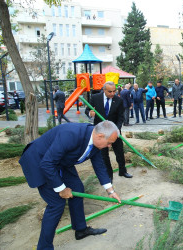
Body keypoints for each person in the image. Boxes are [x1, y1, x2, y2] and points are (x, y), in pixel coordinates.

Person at [19, 121, 122, 250]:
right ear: (100, 136)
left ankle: (80, 230)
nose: (109, 146)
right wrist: (61, 189)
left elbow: (99, 165)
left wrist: (110, 191)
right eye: (109, 143)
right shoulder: (71, 135)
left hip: (61, 161)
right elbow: (47, 163)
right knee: (56, 203)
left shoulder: (96, 141)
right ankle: (44, 247)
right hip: (39, 160)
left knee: (77, 189)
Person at [85, 81, 132, 181]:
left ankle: (122, 171)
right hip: (100, 133)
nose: (112, 93)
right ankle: (109, 174)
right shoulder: (95, 98)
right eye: (109, 91)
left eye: (114, 91)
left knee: (119, 152)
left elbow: (120, 117)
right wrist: (90, 113)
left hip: (114, 132)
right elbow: (87, 110)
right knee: (103, 155)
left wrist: (117, 130)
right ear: (104, 90)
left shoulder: (118, 100)